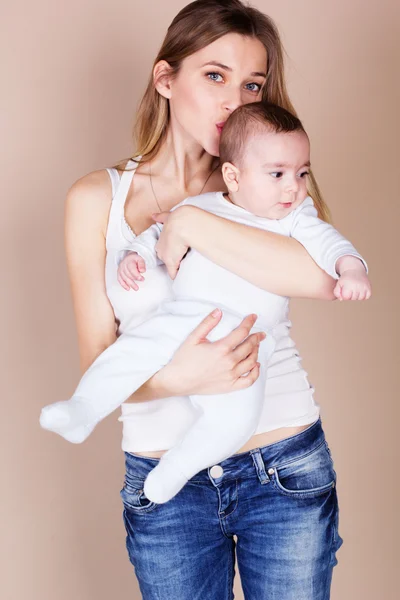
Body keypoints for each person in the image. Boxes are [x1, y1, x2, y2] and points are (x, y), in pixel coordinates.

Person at [48, 0, 360, 596]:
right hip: (164, 479)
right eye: (214, 76)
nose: (233, 101)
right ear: (166, 79)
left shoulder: (275, 182)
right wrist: (179, 376)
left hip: (282, 461)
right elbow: (98, 363)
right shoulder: (97, 201)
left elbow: (321, 280)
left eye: (251, 84)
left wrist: (192, 224)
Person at [39, 102, 370, 508]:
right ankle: (83, 409)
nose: (293, 187)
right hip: (187, 321)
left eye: (303, 173)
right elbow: (159, 232)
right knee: (131, 352)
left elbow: (330, 244)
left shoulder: (295, 218)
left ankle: (177, 469)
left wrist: (351, 269)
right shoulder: (203, 205)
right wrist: (135, 257)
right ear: (234, 175)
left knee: (236, 419)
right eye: (278, 174)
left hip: (247, 345)